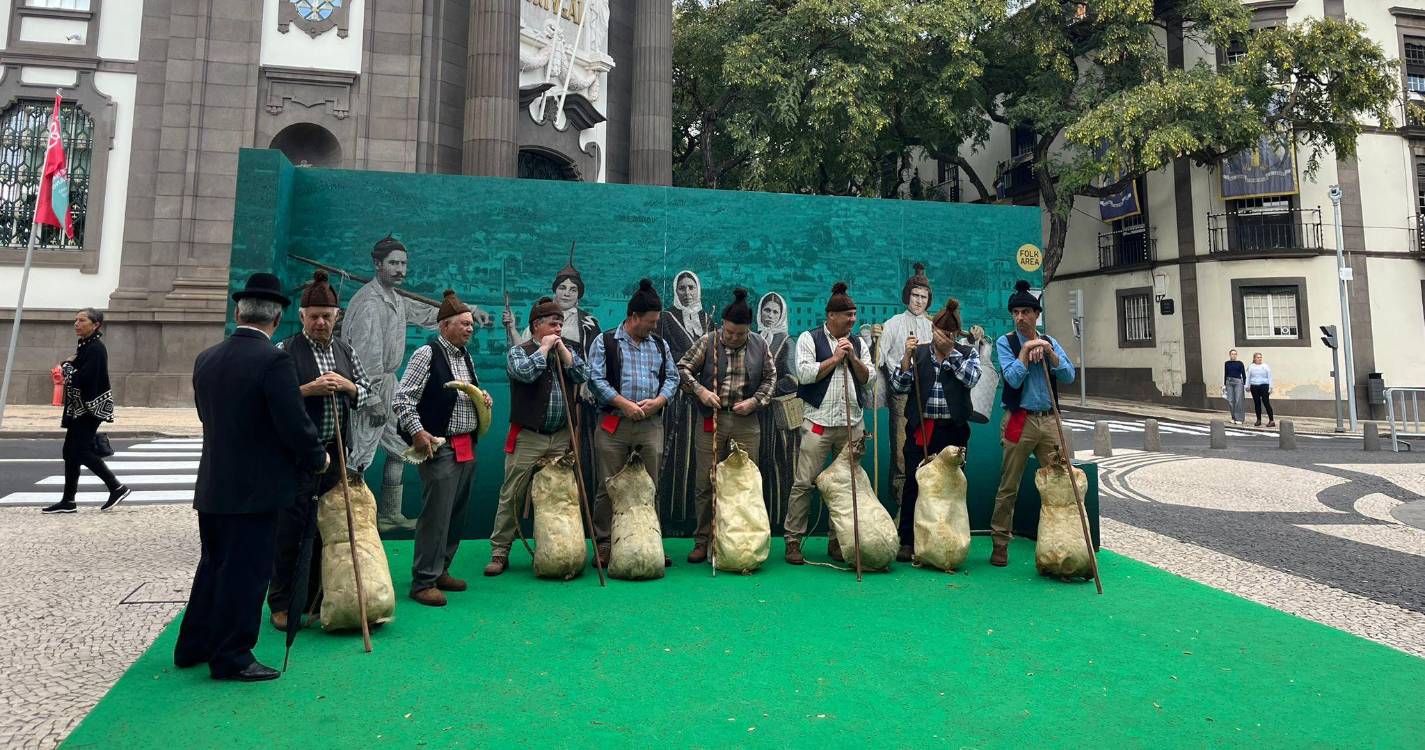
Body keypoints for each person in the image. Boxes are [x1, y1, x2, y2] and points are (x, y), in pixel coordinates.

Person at [174, 273, 330, 682]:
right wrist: (318, 458)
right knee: (248, 574)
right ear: (277, 319)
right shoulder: (274, 361)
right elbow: (294, 424)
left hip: (214, 483)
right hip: (258, 489)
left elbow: (207, 417)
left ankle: (193, 645)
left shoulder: (206, 358)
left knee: (214, 564)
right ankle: (233, 656)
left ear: (237, 312)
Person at [344, 234, 489, 533]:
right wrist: (369, 397)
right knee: (359, 452)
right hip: (368, 386)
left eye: (403, 264)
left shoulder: (396, 298)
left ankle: (388, 513)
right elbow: (363, 353)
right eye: (393, 263)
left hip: (388, 383)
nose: (400, 269)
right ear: (377, 264)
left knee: (400, 446)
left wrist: (469, 310)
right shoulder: (368, 303)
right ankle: (349, 518)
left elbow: (431, 314)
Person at [266, 271, 374, 630]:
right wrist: (308, 389)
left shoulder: (346, 351)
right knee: (291, 531)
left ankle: (315, 596)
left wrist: (348, 386)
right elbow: (271, 400)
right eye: (313, 316)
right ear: (301, 317)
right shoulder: (284, 351)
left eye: (327, 316)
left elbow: (369, 396)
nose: (320, 322)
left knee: (327, 527)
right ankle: (282, 603)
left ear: (337, 316)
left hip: (336, 456)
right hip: (295, 458)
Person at [393, 290, 492, 606]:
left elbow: (464, 395)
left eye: (471, 324)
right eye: (464, 324)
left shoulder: (465, 356)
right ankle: (423, 581)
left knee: (456, 514)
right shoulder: (427, 354)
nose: (470, 328)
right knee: (436, 515)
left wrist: (482, 400)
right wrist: (419, 432)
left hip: (466, 446)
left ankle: (441, 571)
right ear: (445, 325)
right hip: (440, 446)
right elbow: (402, 398)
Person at [485, 296, 590, 577]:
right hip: (529, 437)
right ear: (536, 325)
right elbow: (525, 374)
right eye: (553, 324)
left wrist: (564, 354)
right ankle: (500, 551)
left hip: (560, 436)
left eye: (561, 324)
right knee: (513, 494)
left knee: (558, 495)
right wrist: (543, 350)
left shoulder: (567, 350)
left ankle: (558, 549)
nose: (559, 329)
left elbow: (582, 376)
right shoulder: (520, 351)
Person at [676, 288, 777, 563]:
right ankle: (702, 540)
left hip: (746, 420)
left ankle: (743, 539)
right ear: (723, 325)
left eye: (739, 334)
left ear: (749, 329)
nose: (732, 338)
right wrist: (700, 391)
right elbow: (682, 368)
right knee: (705, 482)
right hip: (712, 419)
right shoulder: (708, 342)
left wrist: (755, 401)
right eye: (729, 332)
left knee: (745, 482)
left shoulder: (760, 345)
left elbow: (771, 378)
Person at [587, 278, 681, 564]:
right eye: (650, 321)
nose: (654, 326)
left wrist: (659, 401)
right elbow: (595, 379)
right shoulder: (605, 341)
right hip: (613, 424)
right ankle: (604, 542)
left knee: (649, 485)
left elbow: (672, 378)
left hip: (650, 425)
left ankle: (649, 539)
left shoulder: (660, 345)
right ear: (633, 317)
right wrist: (622, 403)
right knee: (608, 485)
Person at [783, 282, 874, 565]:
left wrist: (853, 359)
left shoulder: (858, 343)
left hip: (852, 425)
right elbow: (806, 374)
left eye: (855, 314)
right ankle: (793, 540)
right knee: (804, 482)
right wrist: (835, 358)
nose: (853, 319)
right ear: (831, 316)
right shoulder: (809, 339)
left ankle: (838, 540)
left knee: (846, 485)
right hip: (818, 423)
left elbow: (869, 378)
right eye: (848, 315)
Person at [989, 280, 1076, 568]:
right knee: (1009, 484)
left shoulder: (1049, 340)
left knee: (1059, 482)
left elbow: (1068, 375)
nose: (1020, 317)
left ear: (1036, 315)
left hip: (1049, 418)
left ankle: (1063, 539)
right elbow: (1011, 378)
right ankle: (1000, 542)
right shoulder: (1006, 342)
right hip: (1019, 418)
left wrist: (1049, 353)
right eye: (1016, 313)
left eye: (1026, 311)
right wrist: (1025, 353)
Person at [888, 298, 980, 562]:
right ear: (933, 330)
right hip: (922, 429)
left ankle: (949, 539)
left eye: (949, 334)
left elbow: (971, 379)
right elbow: (899, 386)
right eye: (941, 332)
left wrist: (950, 353)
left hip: (953, 431)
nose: (944, 337)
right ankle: (907, 540)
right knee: (913, 485)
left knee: (951, 487)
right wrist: (906, 357)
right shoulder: (918, 353)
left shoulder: (966, 353)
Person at [43, 308, 129, 514]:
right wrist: (69, 366)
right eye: (76, 320)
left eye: (82, 320)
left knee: (80, 451)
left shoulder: (96, 349)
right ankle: (68, 501)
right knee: (70, 452)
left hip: (90, 408)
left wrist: (67, 367)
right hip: (80, 408)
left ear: (95, 324)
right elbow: (75, 373)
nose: (76, 324)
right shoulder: (85, 346)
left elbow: (83, 379)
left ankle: (116, 487)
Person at [657, 270, 713, 524]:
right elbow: (663, 356)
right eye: (682, 288)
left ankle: (695, 520)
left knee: (700, 460)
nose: (687, 293)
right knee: (677, 456)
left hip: (703, 403)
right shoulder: (666, 319)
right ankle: (673, 517)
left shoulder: (708, 320)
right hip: (677, 400)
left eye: (691, 287)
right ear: (675, 291)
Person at [877, 263, 934, 508]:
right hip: (900, 394)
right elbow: (879, 357)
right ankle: (901, 507)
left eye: (923, 296)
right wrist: (874, 340)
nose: (919, 301)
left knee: (929, 449)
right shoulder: (893, 324)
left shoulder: (934, 326)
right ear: (906, 296)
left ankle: (925, 507)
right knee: (901, 452)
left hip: (930, 396)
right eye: (915, 295)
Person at [755, 291, 799, 530]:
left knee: (779, 464)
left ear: (781, 315)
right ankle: (760, 520)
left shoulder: (787, 341)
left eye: (774, 311)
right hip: (756, 415)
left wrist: (766, 391)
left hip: (778, 417)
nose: (770, 315)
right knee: (759, 464)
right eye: (766, 310)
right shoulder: (752, 338)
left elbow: (794, 379)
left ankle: (781, 521)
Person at [1247, 352, 1274, 428]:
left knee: (1266, 402)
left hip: (1264, 385)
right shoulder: (1251, 367)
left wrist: (1270, 387)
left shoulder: (1265, 366)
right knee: (1257, 403)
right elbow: (1248, 377)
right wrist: (1247, 386)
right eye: (1258, 357)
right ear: (1254, 358)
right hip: (1254, 386)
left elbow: (1270, 376)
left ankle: (1271, 420)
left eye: (1260, 357)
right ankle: (1258, 420)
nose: (1259, 359)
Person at [1223, 349, 1246, 425]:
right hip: (1229, 381)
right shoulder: (1227, 363)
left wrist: (1245, 384)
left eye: (1235, 354)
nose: (1234, 355)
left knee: (1238, 400)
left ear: (1236, 355)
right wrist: (1224, 384)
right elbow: (1226, 373)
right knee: (1230, 400)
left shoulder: (1240, 363)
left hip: (1238, 382)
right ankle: (1233, 417)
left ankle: (1239, 418)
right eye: (1232, 354)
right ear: (1230, 355)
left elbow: (1243, 374)